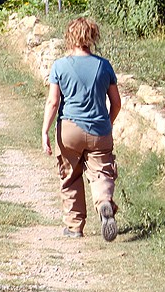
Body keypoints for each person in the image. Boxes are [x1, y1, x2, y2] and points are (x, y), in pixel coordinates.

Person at [41, 17, 122, 241]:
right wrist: (108, 123)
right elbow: (116, 103)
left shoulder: (60, 66)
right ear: (92, 37)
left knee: (70, 176)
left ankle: (74, 226)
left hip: (69, 130)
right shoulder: (104, 65)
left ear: (70, 38)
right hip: (100, 130)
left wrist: (45, 131)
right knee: (102, 173)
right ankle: (104, 202)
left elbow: (53, 102)